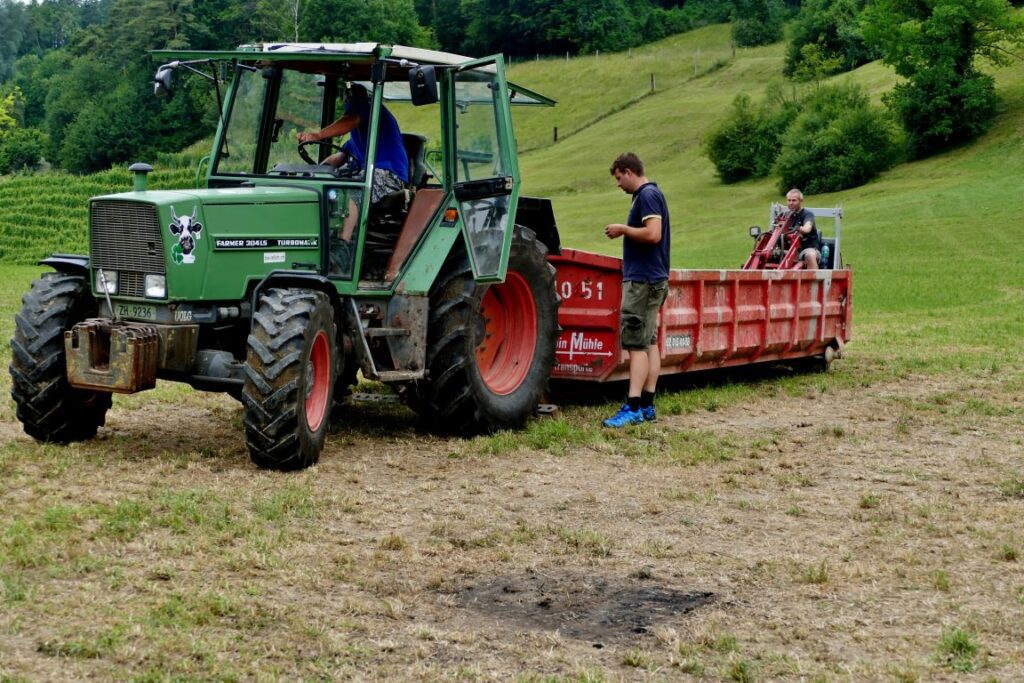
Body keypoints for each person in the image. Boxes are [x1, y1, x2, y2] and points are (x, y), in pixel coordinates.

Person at [602, 152, 671, 428]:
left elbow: (653, 234)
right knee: (649, 342)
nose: (619, 184)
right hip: (653, 278)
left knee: (636, 345)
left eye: (619, 178)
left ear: (629, 171)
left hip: (642, 281)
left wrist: (623, 229)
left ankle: (632, 408)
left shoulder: (647, 196)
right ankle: (647, 405)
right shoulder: (651, 194)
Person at [297, 84, 409, 239]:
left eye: (347, 101)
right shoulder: (358, 135)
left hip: (390, 174)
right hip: (369, 173)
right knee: (331, 188)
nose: (345, 105)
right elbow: (339, 157)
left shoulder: (369, 108)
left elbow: (350, 120)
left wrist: (317, 135)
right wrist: (316, 172)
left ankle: (342, 246)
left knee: (351, 192)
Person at [784, 188, 822, 270]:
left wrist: (801, 228)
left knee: (810, 255)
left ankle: (813, 281)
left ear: (801, 201)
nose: (791, 203)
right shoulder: (785, 216)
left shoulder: (807, 214)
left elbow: (807, 227)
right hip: (789, 250)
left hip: (806, 248)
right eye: (789, 200)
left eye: (794, 200)